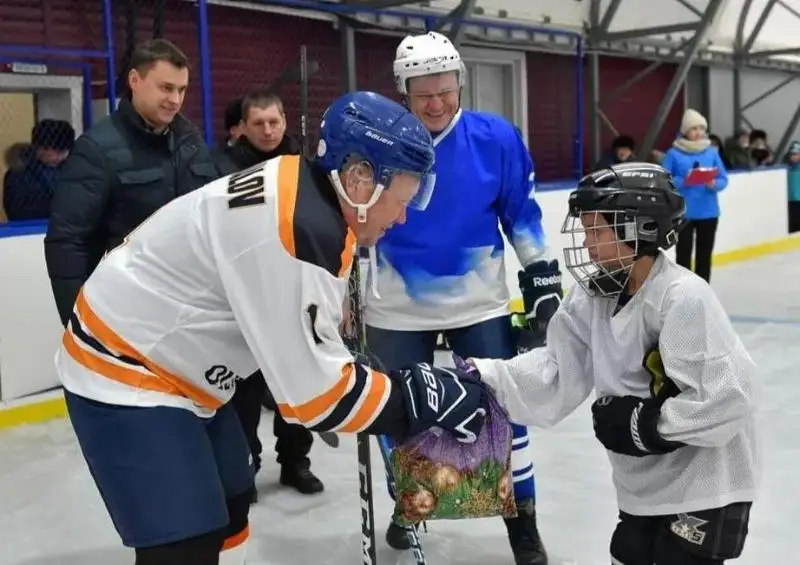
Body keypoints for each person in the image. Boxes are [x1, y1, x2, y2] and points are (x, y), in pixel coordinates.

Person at [54, 91, 489, 565]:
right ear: (361, 179)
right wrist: (415, 400)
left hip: (177, 363)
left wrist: (341, 354)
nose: (404, 216)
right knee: (184, 540)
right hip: (124, 367)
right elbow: (318, 400)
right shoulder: (301, 231)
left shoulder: (309, 190)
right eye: (402, 199)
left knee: (231, 503)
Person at [463, 162, 758, 565]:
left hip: (706, 486)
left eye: (596, 231)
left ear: (642, 230)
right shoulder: (591, 299)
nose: (586, 244)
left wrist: (647, 423)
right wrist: (482, 378)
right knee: (628, 552)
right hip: (643, 489)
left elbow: (728, 399)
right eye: (584, 231)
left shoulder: (682, 298)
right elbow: (555, 371)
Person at [364, 31, 560, 565]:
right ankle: (410, 504)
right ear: (403, 90)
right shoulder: (377, 139)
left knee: (504, 415)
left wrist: (542, 284)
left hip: (479, 305)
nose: (436, 103)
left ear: (460, 85)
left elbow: (521, 214)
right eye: (424, 92)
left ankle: (523, 526)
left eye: (446, 90)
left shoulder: (496, 138)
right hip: (393, 309)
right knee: (398, 416)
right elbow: (352, 220)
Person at [44, 38, 218, 326]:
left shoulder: (191, 141)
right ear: (135, 81)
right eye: (166, 88)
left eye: (182, 89)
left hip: (194, 304)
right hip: (132, 308)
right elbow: (68, 241)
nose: (175, 99)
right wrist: (80, 324)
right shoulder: (98, 148)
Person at [211, 89, 323, 498]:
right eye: (258, 123)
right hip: (242, 297)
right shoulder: (219, 167)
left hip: (293, 293)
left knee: (294, 387)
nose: (268, 129)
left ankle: (296, 463)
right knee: (244, 394)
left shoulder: (302, 165)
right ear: (243, 126)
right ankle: (246, 466)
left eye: (274, 121)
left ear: (285, 121)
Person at [661, 108, 728, 283]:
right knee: (683, 254)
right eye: (693, 128)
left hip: (709, 212)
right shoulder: (673, 154)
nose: (698, 132)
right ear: (685, 131)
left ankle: (703, 287)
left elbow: (723, 179)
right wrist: (684, 181)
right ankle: (683, 288)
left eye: (701, 128)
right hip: (684, 213)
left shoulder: (711, 152)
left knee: (704, 254)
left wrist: (714, 184)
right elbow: (663, 180)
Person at [2, 119, 75, 221]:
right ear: (41, 149)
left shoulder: (73, 168)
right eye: (57, 152)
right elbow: (16, 212)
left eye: (64, 152)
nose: (59, 157)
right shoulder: (18, 174)